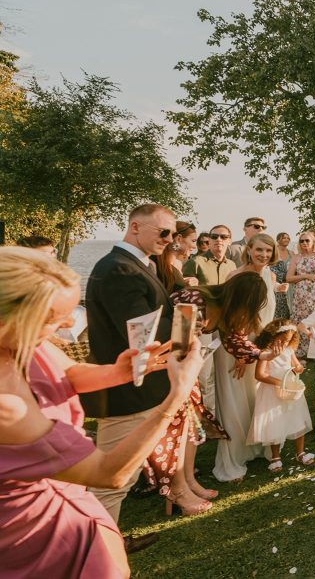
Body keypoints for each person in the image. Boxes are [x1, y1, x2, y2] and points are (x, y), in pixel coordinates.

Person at [0, 246, 206, 575]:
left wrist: (117, 372)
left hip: (72, 512)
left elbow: (69, 372)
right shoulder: (8, 407)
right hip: (40, 539)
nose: (70, 322)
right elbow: (108, 473)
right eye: (54, 318)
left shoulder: (24, 345)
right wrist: (176, 395)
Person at [81, 203, 176, 530]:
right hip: (126, 390)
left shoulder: (135, 264)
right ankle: (99, 548)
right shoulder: (119, 269)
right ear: (135, 227)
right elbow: (142, 332)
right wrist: (187, 320)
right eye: (163, 232)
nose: (169, 239)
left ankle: (108, 542)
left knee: (122, 477)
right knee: (111, 482)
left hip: (140, 386)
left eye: (173, 234)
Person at [172, 272, 276, 482]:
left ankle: (186, 479)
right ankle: (176, 480)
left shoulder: (226, 311)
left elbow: (234, 340)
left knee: (191, 421)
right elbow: (177, 343)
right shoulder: (194, 300)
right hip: (170, 367)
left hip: (185, 367)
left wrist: (262, 355)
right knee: (178, 423)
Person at [248, 319, 315, 470]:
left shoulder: (289, 350)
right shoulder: (265, 353)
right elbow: (259, 375)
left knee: (297, 418)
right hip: (272, 391)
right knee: (274, 422)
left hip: (290, 389)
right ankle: (275, 456)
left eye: (289, 340)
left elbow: (296, 365)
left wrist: (298, 368)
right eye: (283, 340)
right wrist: (279, 382)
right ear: (273, 335)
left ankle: (300, 452)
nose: (285, 343)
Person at [230, 233, 286, 329]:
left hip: (264, 333)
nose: (264, 255)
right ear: (248, 250)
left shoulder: (271, 276)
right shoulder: (235, 276)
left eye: (268, 250)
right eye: (259, 249)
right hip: (241, 333)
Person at [288, 231, 315, 358]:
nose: (304, 243)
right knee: (301, 320)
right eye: (302, 241)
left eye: (307, 240)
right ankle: (301, 351)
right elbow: (289, 278)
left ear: (313, 242)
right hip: (301, 295)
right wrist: (306, 276)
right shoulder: (296, 257)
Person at [154, 221, 199, 294]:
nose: (194, 246)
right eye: (193, 241)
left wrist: (186, 282)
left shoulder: (178, 264)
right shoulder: (154, 263)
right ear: (178, 238)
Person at [271, 233, 294, 319]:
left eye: (288, 238)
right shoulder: (273, 252)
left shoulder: (291, 253)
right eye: (284, 238)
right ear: (278, 240)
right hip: (277, 284)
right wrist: (283, 277)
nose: (287, 239)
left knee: (290, 306)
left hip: (290, 284)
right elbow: (270, 268)